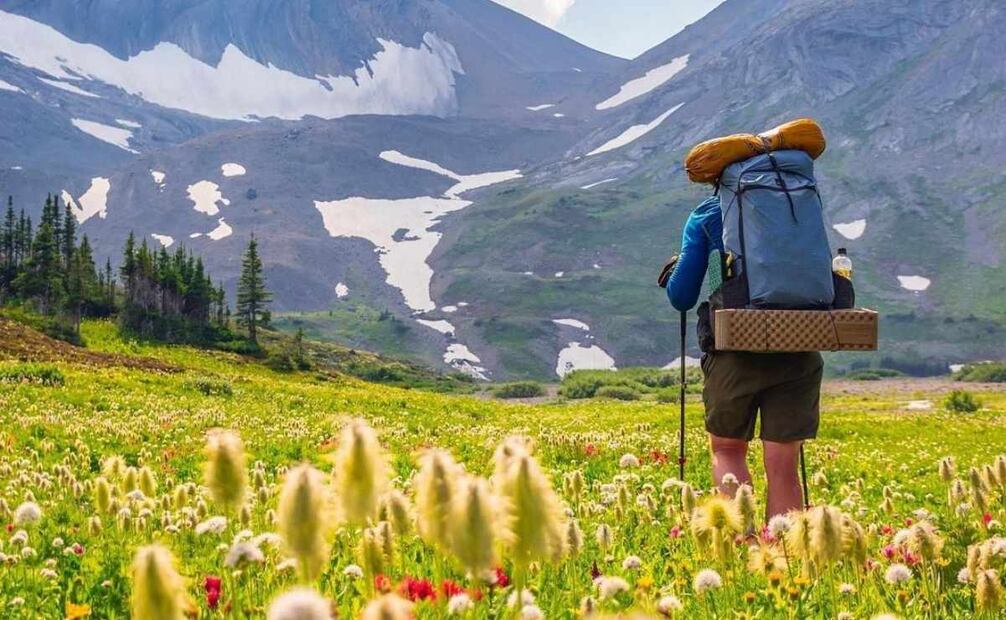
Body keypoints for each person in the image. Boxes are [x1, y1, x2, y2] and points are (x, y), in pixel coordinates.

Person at [662, 192, 823, 518]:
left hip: (735, 349)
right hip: (798, 343)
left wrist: (676, 268)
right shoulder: (796, 202)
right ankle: (782, 556)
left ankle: (743, 546)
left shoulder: (707, 213)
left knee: (728, 450)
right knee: (784, 465)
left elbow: (681, 296)